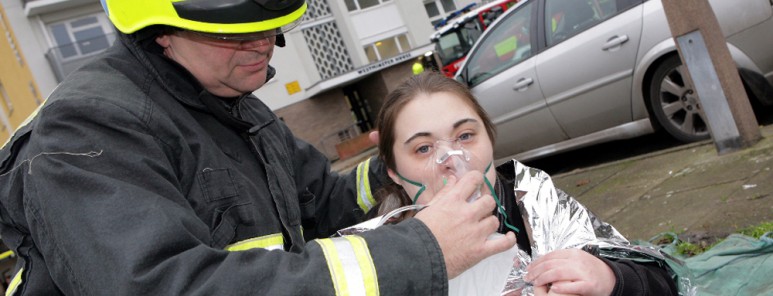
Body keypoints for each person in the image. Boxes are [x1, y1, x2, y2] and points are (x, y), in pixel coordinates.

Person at [0, 1, 515, 294]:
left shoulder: (235, 106)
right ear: (160, 32)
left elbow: (323, 202)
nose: (263, 44)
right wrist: (420, 250)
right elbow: (164, 287)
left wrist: (402, 168)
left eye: (269, 26)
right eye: (234, 34)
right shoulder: (89, 129)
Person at [367, 71, 680, 295]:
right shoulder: (380, 258)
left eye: (465, 136)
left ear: (489, 140)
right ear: (394, 172)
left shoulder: (532, 203)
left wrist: (609, 279)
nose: (451, 158)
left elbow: (660, 282)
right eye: (423, 148)